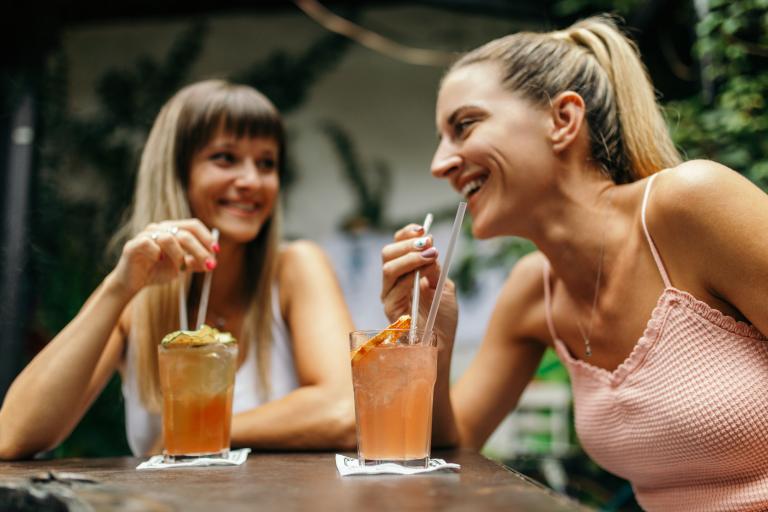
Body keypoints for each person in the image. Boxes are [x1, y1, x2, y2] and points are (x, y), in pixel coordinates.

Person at [380, 16, 768, 511]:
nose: (440, 164)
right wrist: (428, 342)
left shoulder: (689, 204)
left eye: (464, 126)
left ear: (562, 120)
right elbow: (449, 451)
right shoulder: (533, 290)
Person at [0, 79, 356, 459]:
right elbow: (11, 434)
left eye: (266, 163)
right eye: (225, 157)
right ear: (176, 172)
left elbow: (344, 411)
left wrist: (196, 432)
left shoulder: (296, 267)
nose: (252, 181)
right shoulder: (134, 299)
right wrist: (118, 288)